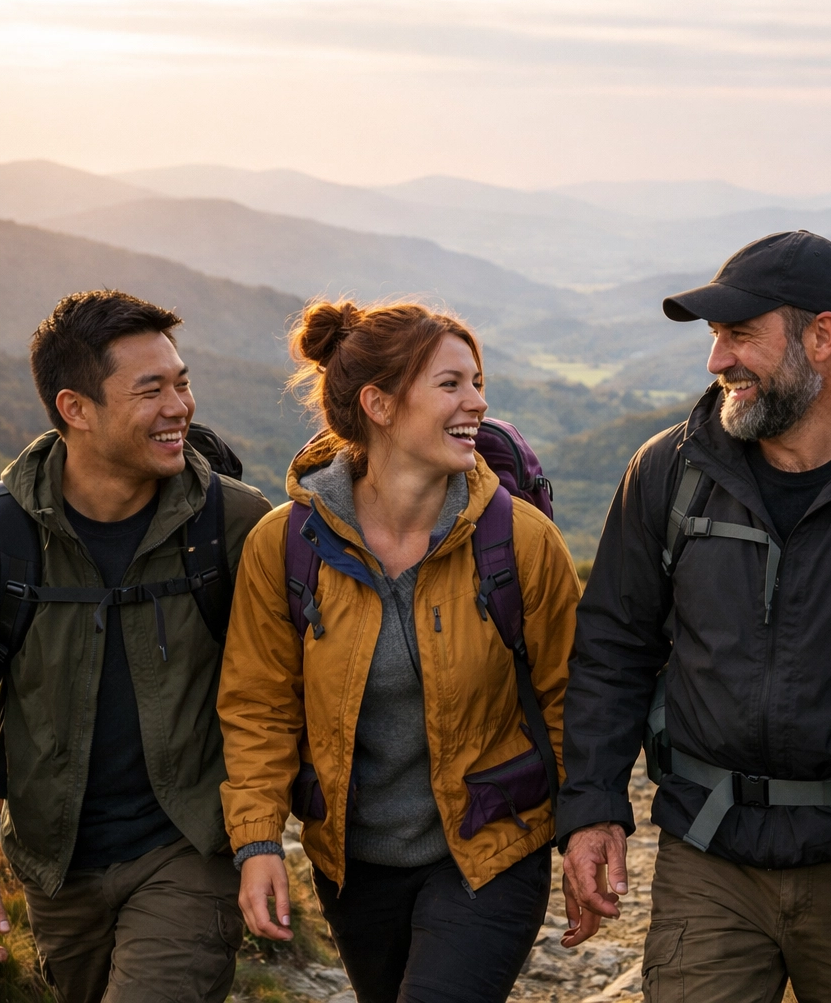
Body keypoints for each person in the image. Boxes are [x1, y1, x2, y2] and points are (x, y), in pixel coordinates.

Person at [558, 231, 831, 1002]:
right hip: (707, 853)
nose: (717, 361)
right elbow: (614, 645)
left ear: (821, 336)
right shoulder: (670, 470)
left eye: (740, 334)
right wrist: (593, 809)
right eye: (715, 337)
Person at [0, 291, 272, 1002]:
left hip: (191, 848)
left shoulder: (237, 526)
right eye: (151, 389)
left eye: (182, 382)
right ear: (76, 408)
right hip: (55, 865)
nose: (180, 406)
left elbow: (287, 693)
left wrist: (259, 839)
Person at [218, 300, 580, 1003]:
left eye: (476, 382)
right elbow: (258, 708)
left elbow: (572, 696)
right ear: (379, 404)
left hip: (491, 850)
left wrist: (591, 837)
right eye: (451, 385)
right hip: (355, 868)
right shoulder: (287, 546)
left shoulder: (520, 540)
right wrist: (259, 841)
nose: (477, 402)